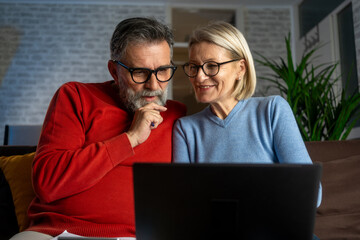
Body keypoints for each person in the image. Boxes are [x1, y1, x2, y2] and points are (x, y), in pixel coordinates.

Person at [11, 17, 186, 240]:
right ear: (114, 71)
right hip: (55, 233)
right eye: (140, 73)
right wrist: (130, 138)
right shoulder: (75, 97)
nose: (154, 85)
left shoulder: (177, 115)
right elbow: (47, 183)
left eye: (163, 71)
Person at [172, 21, 322, 215]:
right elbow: (183, 204)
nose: (199, 77)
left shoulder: (272, 110)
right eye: (193, 67)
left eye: (211, 66)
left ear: (240, 68)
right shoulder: (185, 129)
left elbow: (311, 194)